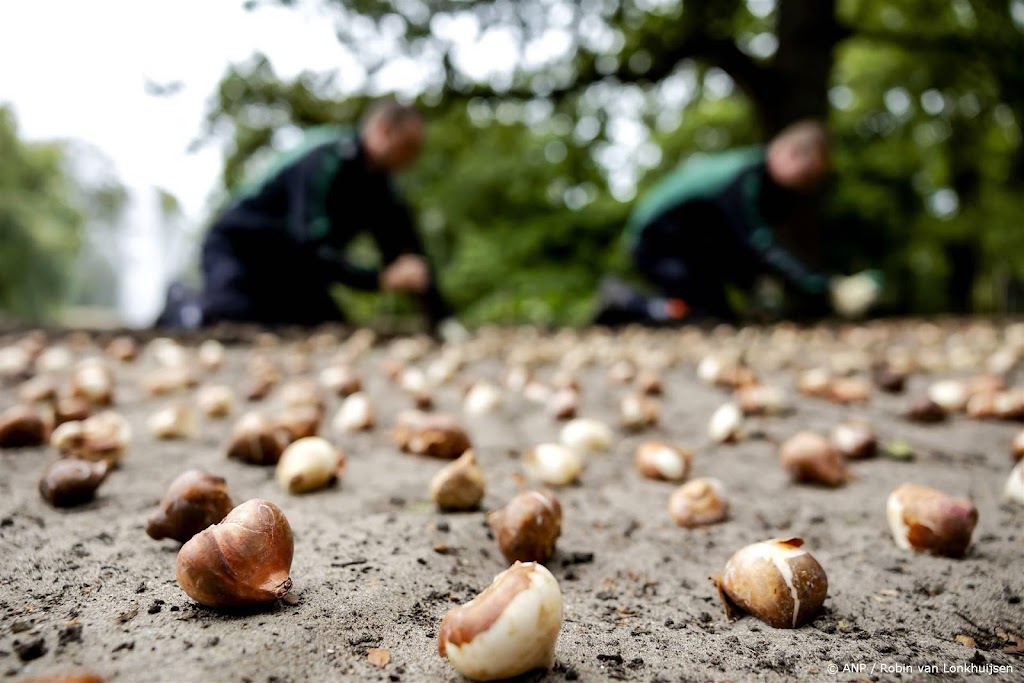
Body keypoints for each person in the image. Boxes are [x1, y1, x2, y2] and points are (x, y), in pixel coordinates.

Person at [156, 100, 459, 334]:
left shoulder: (382, 189)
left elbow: (408, 253)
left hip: (290, 268)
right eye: (409, 147)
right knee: (230, 316)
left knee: (330, 327)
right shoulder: (323, 160)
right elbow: (310, 246)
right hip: (241, 251)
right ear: (383, 131)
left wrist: (442, 321)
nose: (413, 159)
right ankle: (184, 302)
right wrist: (378, 280)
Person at [593, 120, 880, 325]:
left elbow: (736, 250)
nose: (807, 186)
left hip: (687, 247)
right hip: (657, 245)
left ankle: (646, 306)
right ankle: (629, 302)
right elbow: (757, 244)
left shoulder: (761, 184)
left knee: (722, 317)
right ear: (789, 153)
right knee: (706, 315)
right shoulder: (747, 179)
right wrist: (822, 284)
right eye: (806, 176)